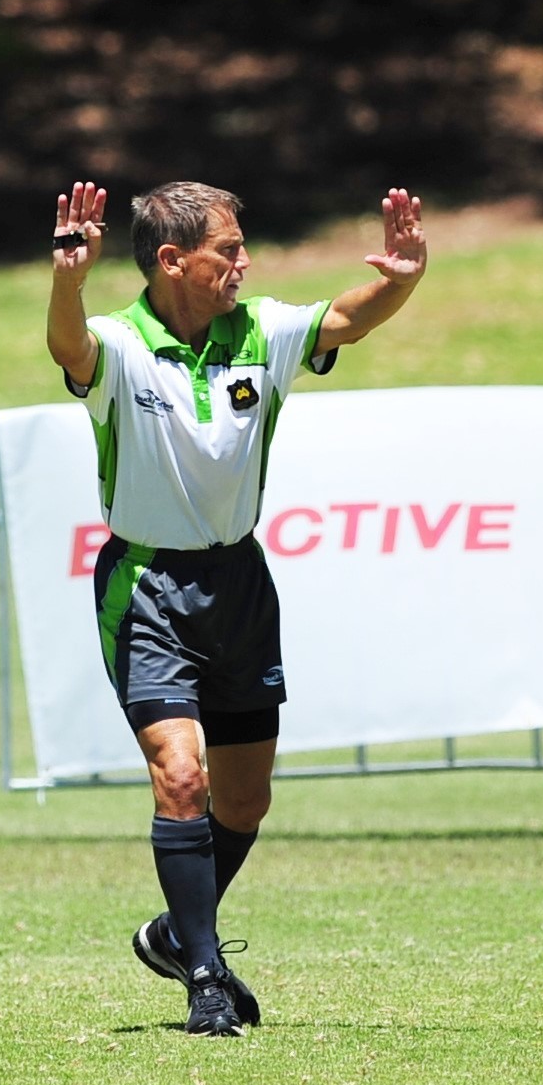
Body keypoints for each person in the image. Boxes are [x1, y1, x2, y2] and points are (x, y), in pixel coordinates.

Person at [46, 178, 427, 1037]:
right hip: (146, 586)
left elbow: (346, 319)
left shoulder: (260, 330)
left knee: (244, 803)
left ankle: (173, 934)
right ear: (173, 260)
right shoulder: (115, 344)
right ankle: (207, 978)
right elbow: (67, 348)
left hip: (240, 586)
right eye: (228, 249)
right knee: (181, 778)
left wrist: (400, 277)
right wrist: (68, 279)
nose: (243, 262)